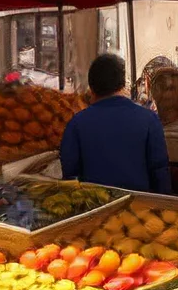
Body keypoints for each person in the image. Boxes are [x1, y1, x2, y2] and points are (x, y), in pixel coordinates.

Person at [60, 53, 172, 193]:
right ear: (122, 83)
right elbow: (160, 173)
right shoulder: (149, 120)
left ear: (91, 86)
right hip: (140, 209)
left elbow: (69, 179)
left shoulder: (76, 124)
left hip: (94, 209)